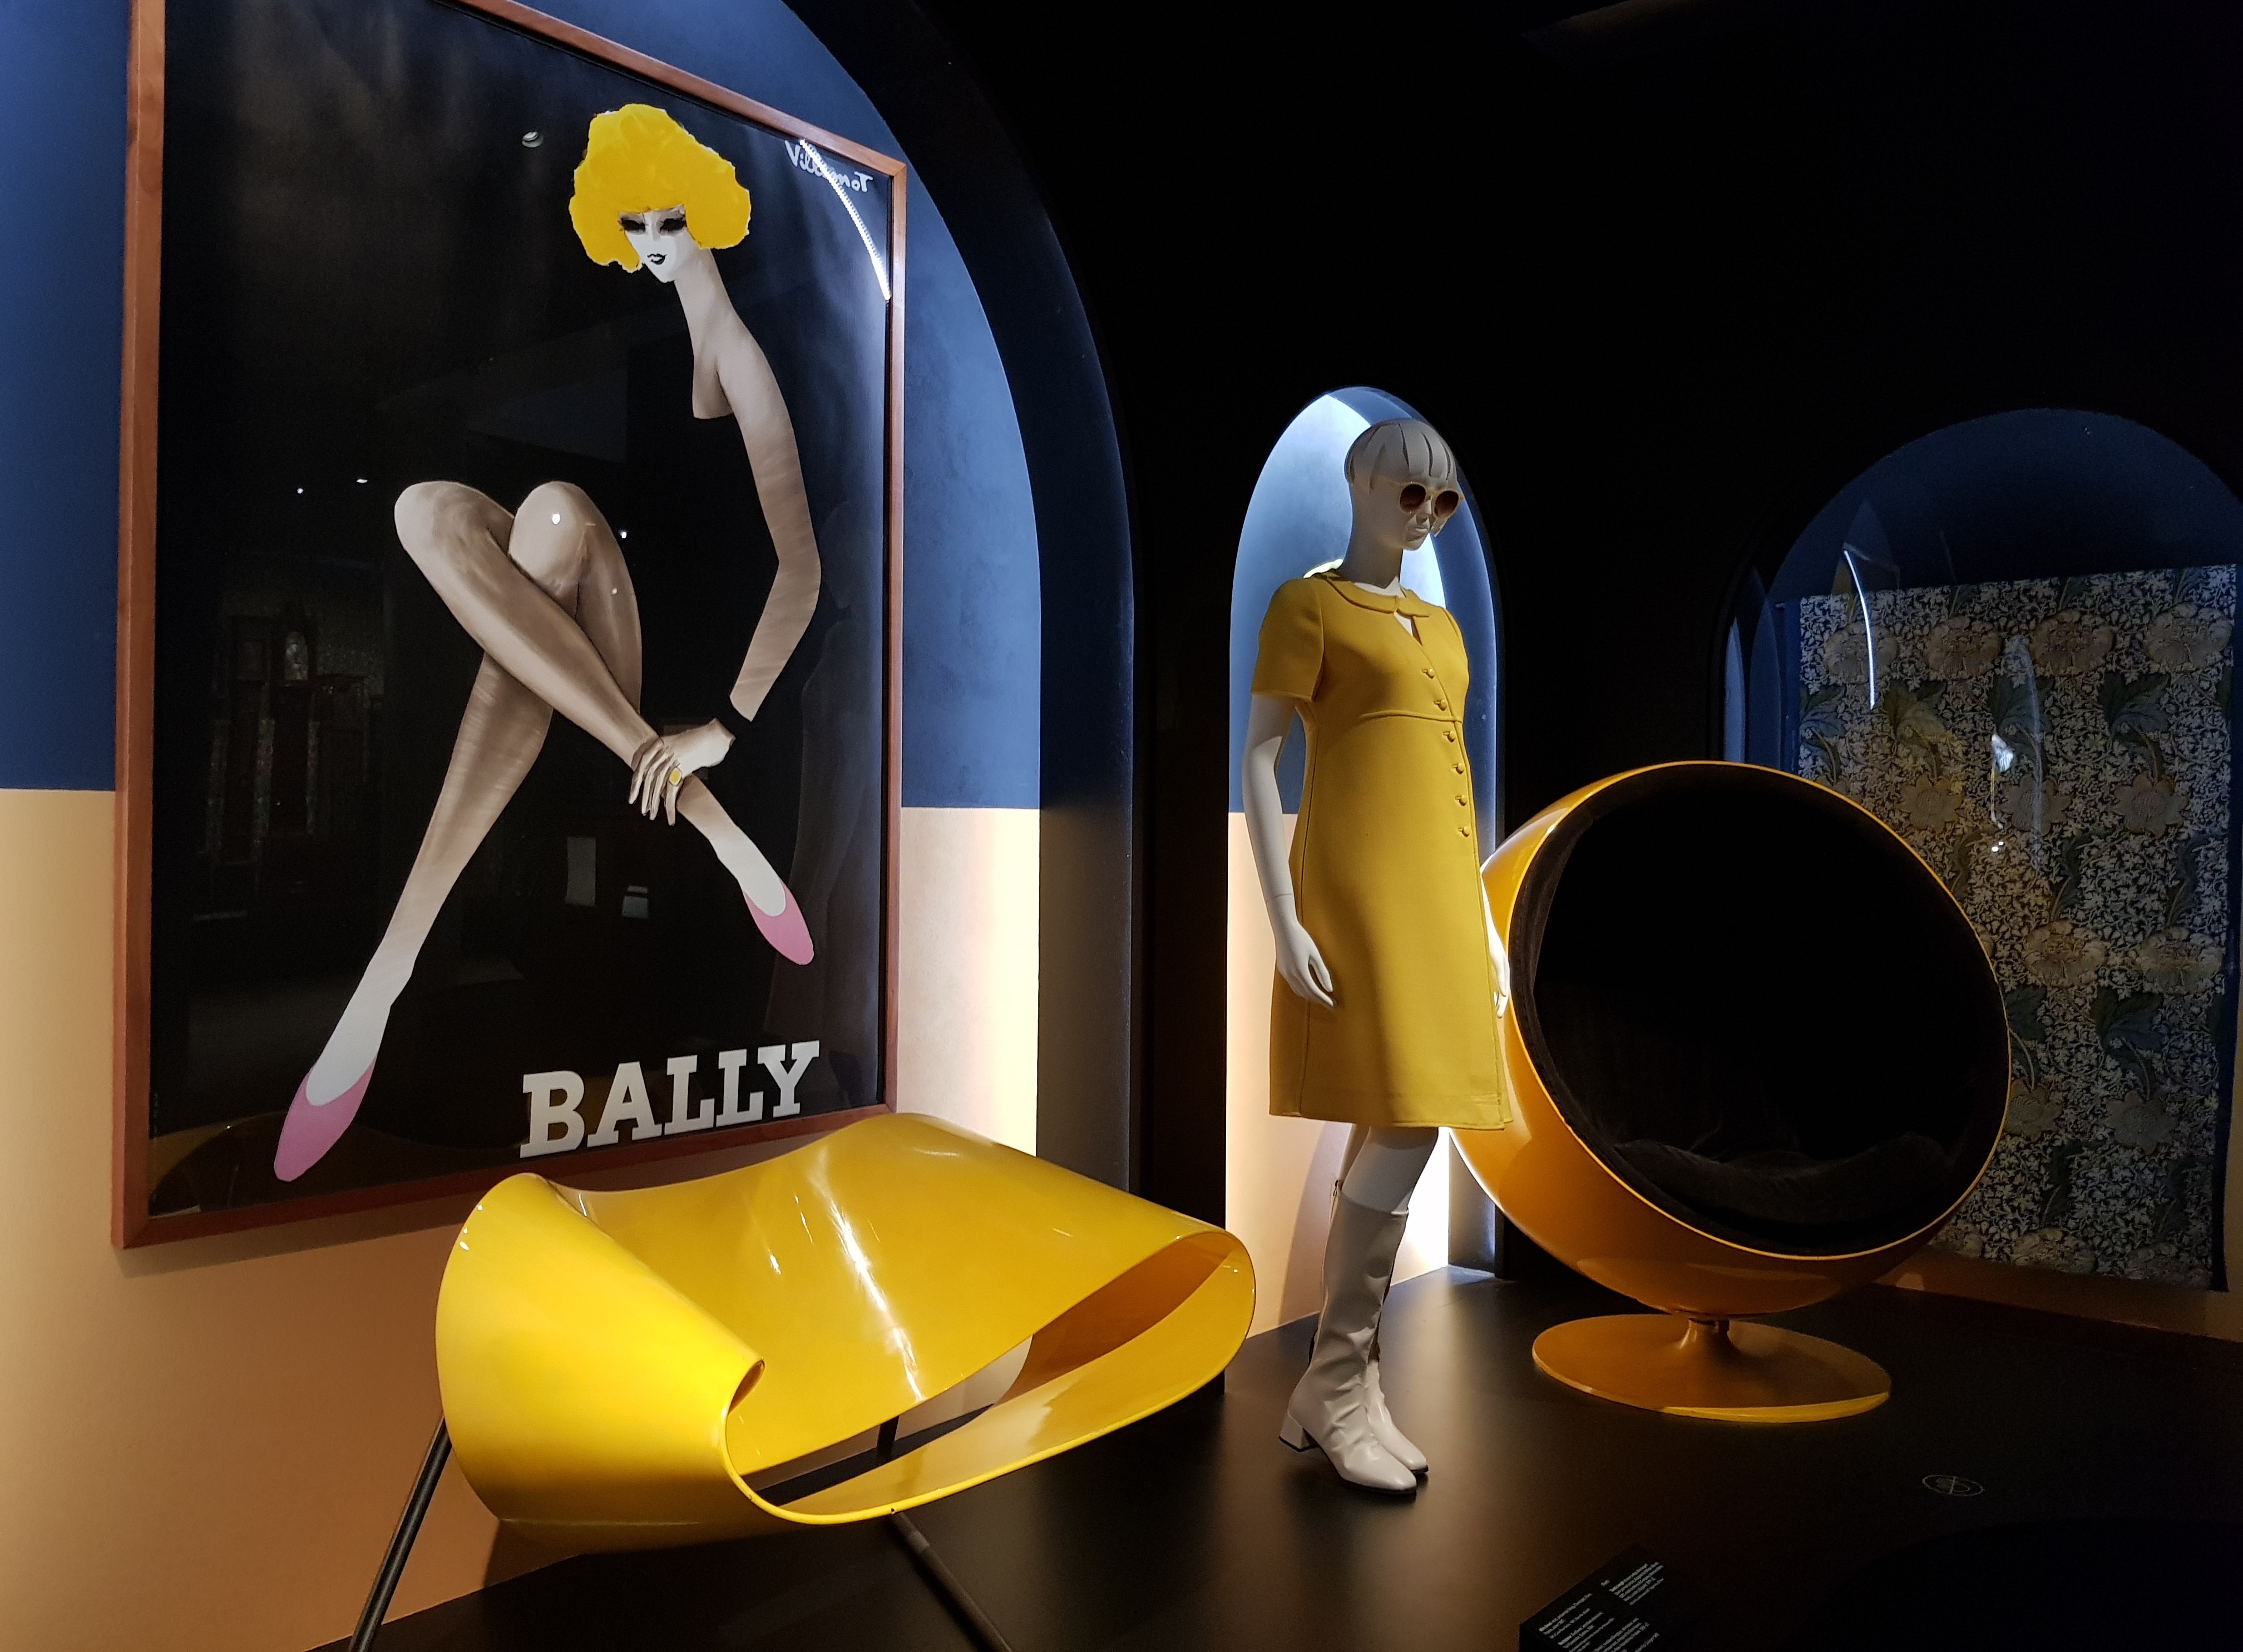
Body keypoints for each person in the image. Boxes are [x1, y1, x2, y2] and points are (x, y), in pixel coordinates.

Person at [275, 105, 823, 1181]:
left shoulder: (740, 360)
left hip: (644, 655)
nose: (655, 242)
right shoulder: (659, 344)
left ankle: (384, 978)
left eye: (671, 220)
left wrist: (723, 727)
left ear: (707, 212)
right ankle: (710, 827)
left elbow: (802, 572)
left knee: (560, 513)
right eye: (637, 224)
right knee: (435, 509)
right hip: (591, 647)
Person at [1242, 417, 1511, 1492]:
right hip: (1359, 891)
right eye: (1410, 494)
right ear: (1359, 483)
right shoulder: (1307, 606)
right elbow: (1261, 757)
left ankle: (1344, 1383)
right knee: (1407, 1112)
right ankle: (1336, 1383)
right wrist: (1283, 914)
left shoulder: (1440, 627)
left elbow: (1454, 778)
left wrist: (1482, 923)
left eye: (1443, 502)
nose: (1426, 516)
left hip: (1438, 896)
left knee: (1394, 1117)